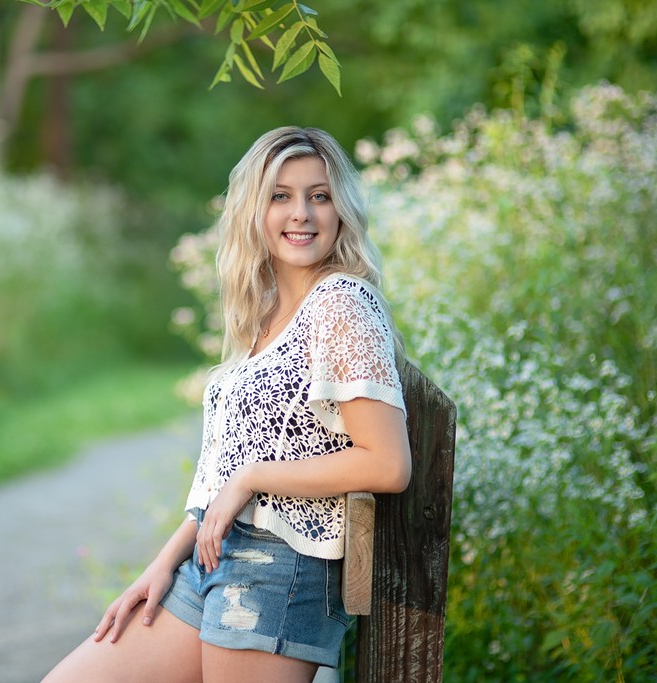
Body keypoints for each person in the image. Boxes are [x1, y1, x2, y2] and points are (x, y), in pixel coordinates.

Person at [42, 127, 411, 683]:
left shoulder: (342, 302)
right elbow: (222, 473)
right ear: (253, 210)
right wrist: (164, 562)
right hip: (209, 562)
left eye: (320, 195)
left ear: (340, 209)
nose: (302, 213)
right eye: (280, 195)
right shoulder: (263, 318)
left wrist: (252, 478)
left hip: (279, 571)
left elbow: (387, 462)